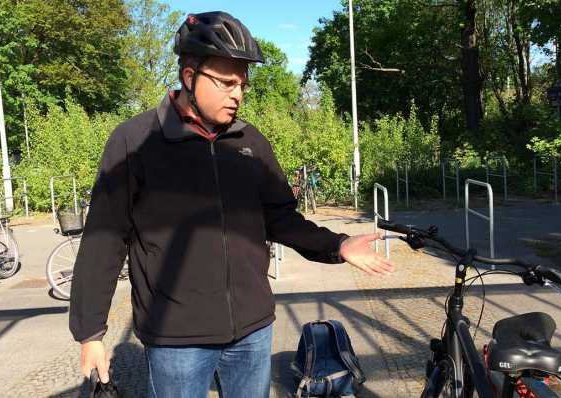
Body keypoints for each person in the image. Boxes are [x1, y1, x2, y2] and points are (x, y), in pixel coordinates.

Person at [69, 11, 394, 397]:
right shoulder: (135, 142)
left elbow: (281, 218)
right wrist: (90, 332)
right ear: (189, 76)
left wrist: (337, 245)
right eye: (225, 83)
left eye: (242, 84)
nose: (237, 94)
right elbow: (104, 239)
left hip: (253, 332)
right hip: (177, 339)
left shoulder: (250, 143)